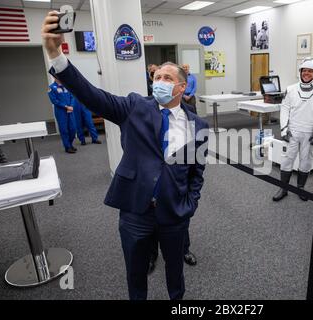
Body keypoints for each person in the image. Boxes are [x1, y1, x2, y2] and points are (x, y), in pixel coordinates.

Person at [42, 11, 209, 300]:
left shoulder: (199, 126)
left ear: (182, 87)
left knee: (175, 273)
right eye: (157, 76)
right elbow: (91, 94)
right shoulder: (134, 107)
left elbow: (197, 172)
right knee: (135, 273)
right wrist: (56, 54)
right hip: (135, 211)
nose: (160, 81)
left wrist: (190, 203)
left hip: (175, 213)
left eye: (167, 78)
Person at [149, 102, 199, 274]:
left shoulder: (188, 112)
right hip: (152, 178)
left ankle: (184, 249)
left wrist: (192, 199)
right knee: (151, 221)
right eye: (155, 75)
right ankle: (152, 255)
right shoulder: (145, 108)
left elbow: (195, 154)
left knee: (181, 221)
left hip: (178, 181)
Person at [272, 57, 313, 202]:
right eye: (304, 70)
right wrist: (284, 129)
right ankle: (283, 188)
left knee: (306, 162)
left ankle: (300, 188)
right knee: (286, 161)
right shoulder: (291, 89)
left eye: (310, 71)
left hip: (310, 134)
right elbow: (284, 109)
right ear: (300, 72)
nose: (306, 73)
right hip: (292, 132)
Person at [47, 78, 77, 153]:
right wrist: (65, 106)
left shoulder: (66, 86)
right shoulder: (51, 87)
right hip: (61, 111)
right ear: (54, 77)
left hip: (70, 110)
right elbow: (54, 101)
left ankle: (70, 144)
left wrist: (71, 106)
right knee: (64, 130)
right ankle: (67, 147)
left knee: (73, 129)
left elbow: (72, 97)